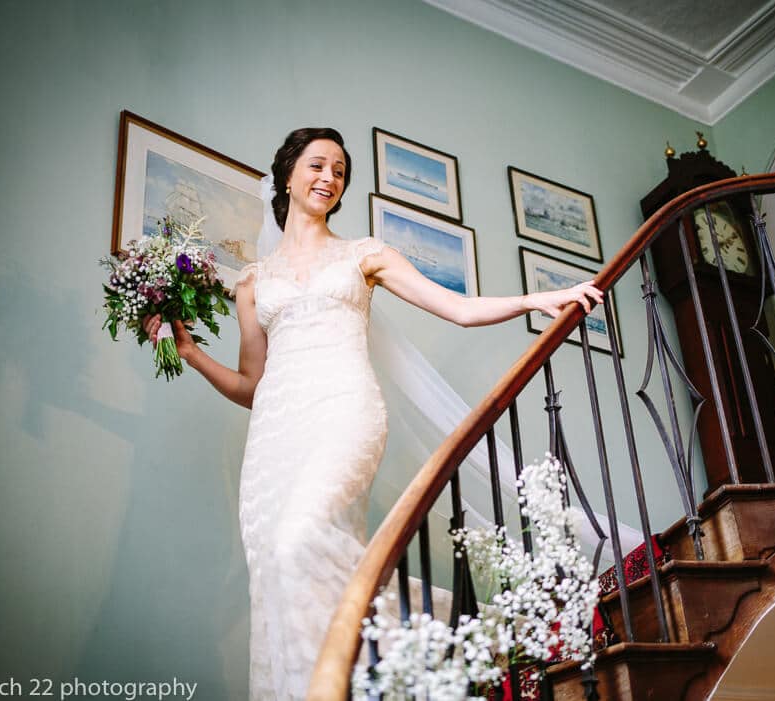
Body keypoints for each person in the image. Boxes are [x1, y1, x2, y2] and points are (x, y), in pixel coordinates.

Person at [143, 127, 603, 700]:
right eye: (316, 165)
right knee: (285, 569)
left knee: (300, 539)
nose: (328, 178)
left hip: (345, 409)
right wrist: (189, 353)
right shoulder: (252, 282)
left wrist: (534, 300)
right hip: (276, 434)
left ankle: (473, 640)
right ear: (287, 176)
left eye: (338, 170)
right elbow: (251, 385)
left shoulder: (364, 254)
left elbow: (457, 308)